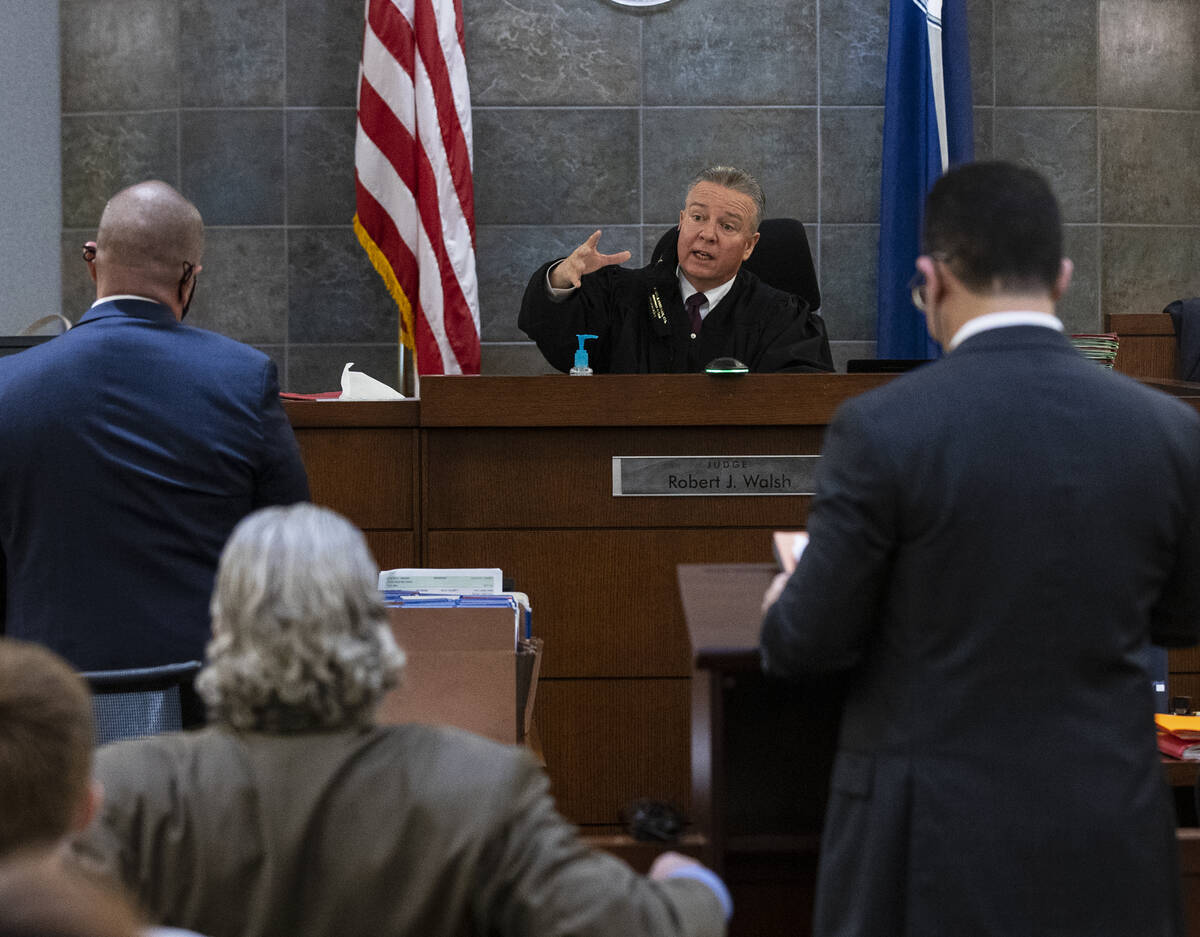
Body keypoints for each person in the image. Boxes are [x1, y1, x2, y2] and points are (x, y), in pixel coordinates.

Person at [759, 161, 1200, 937]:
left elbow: (804, 643)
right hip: (1110, 833)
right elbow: (1182, 615)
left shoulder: (880, 429)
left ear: (932, 279)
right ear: (1061, 279)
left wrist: (782, 598)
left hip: (927, 843)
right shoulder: (1169, 431)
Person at [75, 503, 731, 937]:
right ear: (376, 628)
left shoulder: (121, 791)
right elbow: (638, 928)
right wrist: (693, 884)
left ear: (221, 631)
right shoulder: (478, 787)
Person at [0, 180, 309, 671]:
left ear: (91, 260)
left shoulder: (8, 385)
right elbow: (291, 543)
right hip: (198, 693)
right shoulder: (244, 379)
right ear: (189, 278)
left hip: (49, 698)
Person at [518, 166, 833, 374]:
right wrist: (560, 279)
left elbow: (803, 402)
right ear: (682, 221)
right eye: (698, 218)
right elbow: (559, 339)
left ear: (749, 245)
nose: (707, 234)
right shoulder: (621, 296)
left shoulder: (782, 318)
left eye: (727, 226)